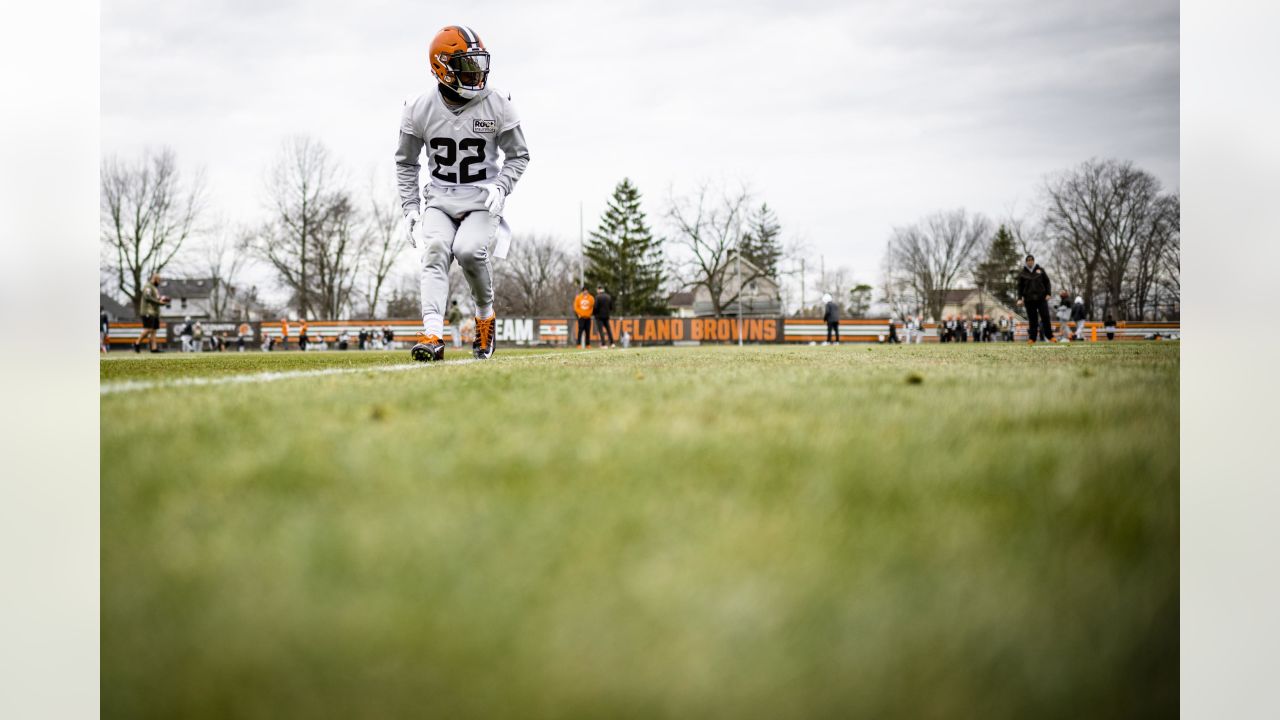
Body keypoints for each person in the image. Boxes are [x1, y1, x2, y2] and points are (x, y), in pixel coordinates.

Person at [397, 25, 531, 363]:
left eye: (478, 64)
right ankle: (432, 334)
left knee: (469, 251)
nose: (476, 73)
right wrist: (411, 206)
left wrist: (502, 187)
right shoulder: (418, 108)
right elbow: (406, 162)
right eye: (466, 66)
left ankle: (485, 317)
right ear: (442, 68)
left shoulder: (498, 104)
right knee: (436, 250)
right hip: (440, 198)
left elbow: (519, 155)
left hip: (481, 197)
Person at [1016, 254, 1054, 343]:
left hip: (1041, 299)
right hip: (1029, 300)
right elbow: (1019, 287)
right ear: (1026, 262)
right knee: (1032, 319)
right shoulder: (1022, 273)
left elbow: (1047, 282)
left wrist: (1048, 293)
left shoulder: (1040, 270)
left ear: (1033, 261)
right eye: (1028, 260)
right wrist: (1019, 298)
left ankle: (1050, 336)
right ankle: (1032, 338)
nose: (1030, 261)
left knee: (1045, 317)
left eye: (1031, 260)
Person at [133, 273, 168, 353]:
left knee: (154, 330)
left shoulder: (154, 288)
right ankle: (137, 342)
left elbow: (156, 298)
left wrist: (162, 299)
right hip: (147, 311)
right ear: (155, 279)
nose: (159, 282)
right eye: (159, 280)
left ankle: (154, 348)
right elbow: (147, 297)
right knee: (148, 329)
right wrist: (159, 302)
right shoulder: (148, 286)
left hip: (154, 312)